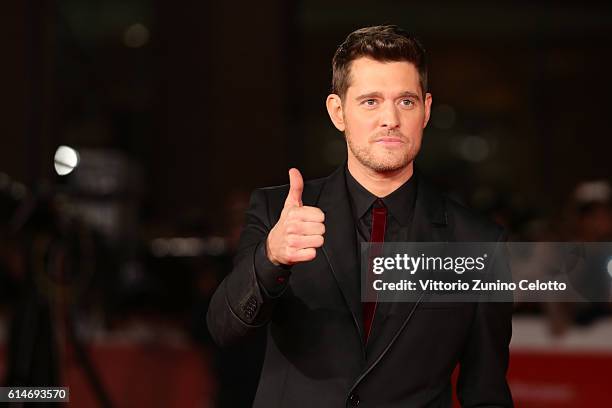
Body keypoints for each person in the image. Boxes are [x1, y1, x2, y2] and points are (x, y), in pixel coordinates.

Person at [207, 25, 513, 407]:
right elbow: (225, 329)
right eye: (370, 101)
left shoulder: (477, 242)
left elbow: (486, 391)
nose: (390, 119)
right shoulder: (280, 213)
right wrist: (270, 258)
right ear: (338, 112)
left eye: (406, 101)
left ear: (426, 110)